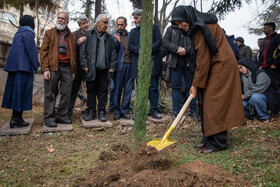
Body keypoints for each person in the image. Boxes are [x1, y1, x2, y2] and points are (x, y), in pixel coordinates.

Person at [171, 5, 245, 154]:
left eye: (181, 22)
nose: (181, 26)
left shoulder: (202, 27)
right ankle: (208, 137)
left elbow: (203, 59)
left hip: (221, 66)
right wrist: (197, 84)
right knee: (203, 101)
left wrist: (195, 84)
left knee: (214, 102)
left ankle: (218, 142)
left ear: (188, 17)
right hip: (212, 65)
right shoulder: (196, 25)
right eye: (177, 24)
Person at [2, 15, 40, 128]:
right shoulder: (28, 34)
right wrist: (36, 65)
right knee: (22, 94)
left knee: (16, 94)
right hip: (23, 69)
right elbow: (32, 52)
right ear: (30, 23)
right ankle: (15, 119)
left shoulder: (18, 33)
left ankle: (17, 117)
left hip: (15, 68)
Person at [40, 11, 76, 127]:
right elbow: (43, 52)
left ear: (67, 21)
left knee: (67, 93)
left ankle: (61, 116)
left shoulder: (71, 36)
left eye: (63, 19)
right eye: (59, 18)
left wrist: (73, 70)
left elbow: (73, 54)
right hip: (53, 67)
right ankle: (49, 118)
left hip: (67, 68)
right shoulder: (49, 33)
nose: (60, 20)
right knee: (50, 93)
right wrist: (45, 69)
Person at [80, 14, 117, 122]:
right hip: (91, 69)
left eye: (107, 23)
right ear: (98, 23)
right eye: (104, 22)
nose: (106, 25)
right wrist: (84, 65)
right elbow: (83, 52)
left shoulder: (109, 38)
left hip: (104, 70)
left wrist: (112, 67)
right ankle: (91, 111)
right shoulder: (88, 34)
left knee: (103, 92)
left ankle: (101, 112)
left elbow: (113, 54)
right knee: (90, 91)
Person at [129, 9, 163, 119]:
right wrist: (140, 50)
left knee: (153, 87)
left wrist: (148, 49)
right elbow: (130, 46)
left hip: (152, 63)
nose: (134, 20)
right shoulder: (133, 32)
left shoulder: (154, 27)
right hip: (139, 64)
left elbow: (159, 41)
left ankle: (153, 110)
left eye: (136, 18)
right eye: (134, 18)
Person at [163, 25, 200, 121]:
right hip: (174, 63)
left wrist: (186, 50)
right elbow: (165, 43)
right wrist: (176, 49)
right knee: (175, 87)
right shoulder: (171, 29)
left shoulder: (190, 28)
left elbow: (196, 43)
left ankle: (193, 111)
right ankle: (176, 111)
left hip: (189, 63)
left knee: (191, 87)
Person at [238, 57, 280, 122]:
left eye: (241, 67)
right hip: (250, 98)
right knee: (239, 102)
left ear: (247, 65)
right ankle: (253, 115)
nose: (240, 70)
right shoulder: (241, 77)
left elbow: (258, 89)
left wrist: (244, 96)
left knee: (255, 97)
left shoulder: (261, 73)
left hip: (267, 98)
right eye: (238, 69)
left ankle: (264, 117)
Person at [66, 15, 89, 122]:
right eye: (83, 23)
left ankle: (90, 111)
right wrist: (78, 43)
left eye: (86, 22)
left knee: (91, 90)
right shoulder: (74, 35)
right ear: (79, 25)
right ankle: (68, 112)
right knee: (73, 91)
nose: (86, 25)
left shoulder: (91, 34)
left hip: (89, 68)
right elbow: (70, 50)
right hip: (77, 68)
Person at [112, 16, 133, 120]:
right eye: (118, 24)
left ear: (126, 25)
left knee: (128, 90)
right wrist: (118, 42)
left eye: (121, 24)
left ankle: (124, 111)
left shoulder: (131, 35)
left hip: (130, 65)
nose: (119, 26)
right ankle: (116, 111)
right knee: (117, 89)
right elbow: (112, 51)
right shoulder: (114, 36)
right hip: (120, 66)